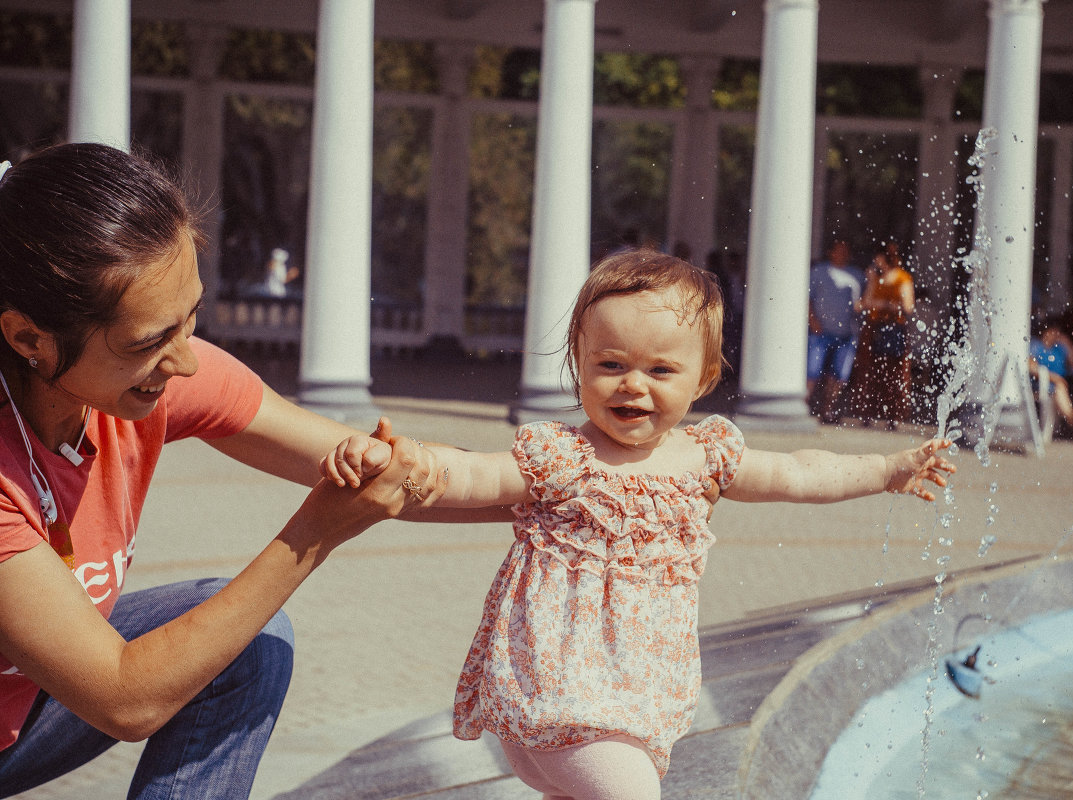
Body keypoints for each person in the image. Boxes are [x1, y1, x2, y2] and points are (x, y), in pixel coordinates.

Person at [322, 249, 956, 800]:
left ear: (704, 377)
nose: (633, 386)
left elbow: (801, 472)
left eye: (660, 370)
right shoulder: (564, 457)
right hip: (556, 698)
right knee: (632, 792)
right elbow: (476, 475)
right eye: (611, 365)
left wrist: (887, 468)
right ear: (578, 364)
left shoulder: (708, 457)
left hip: (634, 701)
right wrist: (412, 463)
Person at [0, 143, 464, 799]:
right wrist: (315, 533)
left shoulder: (137, 383)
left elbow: (393, 474)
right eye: (149, 342)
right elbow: (125, 700)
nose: (185, 363)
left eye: (189, 318)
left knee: (248, 644)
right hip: (67, 707)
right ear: (28, 339)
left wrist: (591, 472)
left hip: (28, 711)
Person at [843, 242, 915, 429]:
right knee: (870, 372)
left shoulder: (902, 278)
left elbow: (908, 306)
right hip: (874, 328)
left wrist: (882, 304)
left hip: (894, 328)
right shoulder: (875, 277)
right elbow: (866, 302)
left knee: (894, 373)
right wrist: (872, 282)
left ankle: (894, 415)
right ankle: (867, 413)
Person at [807, 240, 862, 423]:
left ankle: (827, 410)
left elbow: (862, 302)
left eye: (846, 250)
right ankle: (803, 407)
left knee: (838, 375)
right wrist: (812, 320)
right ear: (831, 252)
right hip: (820, 332)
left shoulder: (857, 275)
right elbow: (808, 298)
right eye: (839, 250)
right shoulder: (819, 272)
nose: (843, 253)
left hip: (846, 335)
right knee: (812, 371)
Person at [1028, 317, 1073, 435]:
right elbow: (1032, 367)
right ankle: (1072, 422)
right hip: (1047, 384)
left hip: (1065, 382)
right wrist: (1054, 378)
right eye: (1054, 332)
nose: (1056, 335)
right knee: (1060, 389)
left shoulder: (1059, 348)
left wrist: (1068, 345)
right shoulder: (1036, 346)